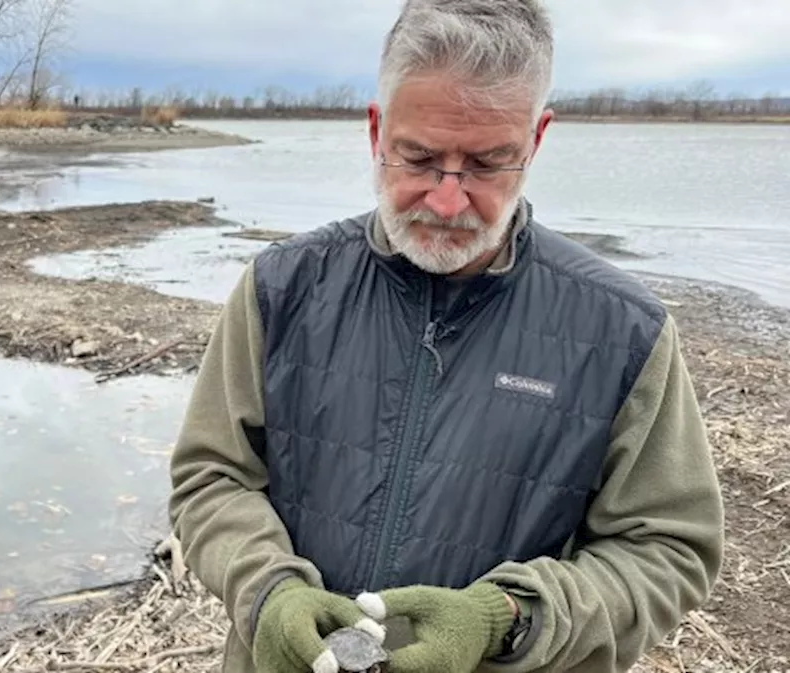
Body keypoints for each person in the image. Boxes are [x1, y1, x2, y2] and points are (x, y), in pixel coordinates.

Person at [166, 2, 726, 673]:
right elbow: (210, 476)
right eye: (420, 157)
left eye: (489, 164)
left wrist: (510, 619)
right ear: (378, 132)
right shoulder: (280, 288)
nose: (447, 200)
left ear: (536, 140)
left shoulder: (625, 330)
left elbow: (670, 548)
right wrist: (268, 592)